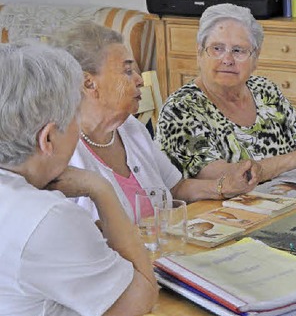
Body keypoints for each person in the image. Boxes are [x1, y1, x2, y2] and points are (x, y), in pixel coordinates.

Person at [0, 42, 157, 316]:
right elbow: (141, 298)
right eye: (75, 115)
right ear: (48, 138)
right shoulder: (46, 217)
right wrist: (101, 188)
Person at [51, 21, 259, 222]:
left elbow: (175, 188)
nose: (140, 80)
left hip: (164, 251)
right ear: (89, 83)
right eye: (127, 71)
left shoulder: (131, 128)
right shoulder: (61, 155)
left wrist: (225, 186)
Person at [156, 3, 296, 183]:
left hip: (281, 202)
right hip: (219, 211)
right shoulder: (181, 108)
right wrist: (294, 159)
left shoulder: (265, 90)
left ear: (255, 58)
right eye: (217, 49)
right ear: (199, 54)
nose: (227, 59)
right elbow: (222, 176)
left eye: (238, 50)